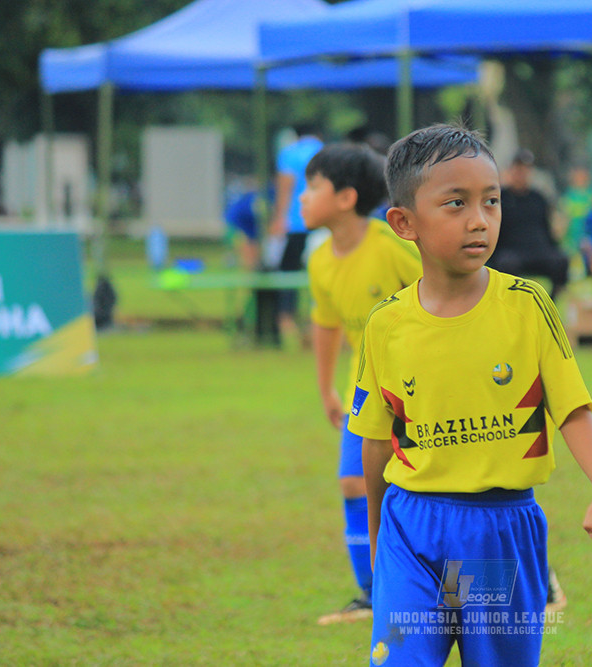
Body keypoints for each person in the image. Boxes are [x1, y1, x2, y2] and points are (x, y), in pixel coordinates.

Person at [351, 124, 592, 667]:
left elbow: (572, 410)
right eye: (456, 203)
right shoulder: (385, 325)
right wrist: (378, 536)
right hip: (410, 529)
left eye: (491, 201)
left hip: (495, 531)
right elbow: (376, 441)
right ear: (404, 223)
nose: (479, 219)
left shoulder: (527, 307)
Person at [299, 143, 424, 625]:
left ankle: (534, 577)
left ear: (346, 198)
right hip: (366, 388)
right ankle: (373, 594)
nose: (303, 197)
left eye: (313, 187)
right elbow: (327, 323)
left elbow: (444, 285)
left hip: (420, 387)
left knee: (443, 488)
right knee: (354, 481)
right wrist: (326, 389)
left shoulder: (392, 244)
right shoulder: (319, 260)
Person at [269, 123, 325, 347]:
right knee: (320, 275)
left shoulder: (289, 153)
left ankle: (287, 321)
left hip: (294, 223)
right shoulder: (325, 151)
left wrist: (279, 217)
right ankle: (316, 324)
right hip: (321, 222)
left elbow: (285, 186)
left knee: (288, 274)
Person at [486, 149, 569, 299]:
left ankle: (550, 302)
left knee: (561, 261)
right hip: (511, 251)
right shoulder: (500, 198)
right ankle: (511, 301)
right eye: (518, 169)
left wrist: (554, 244)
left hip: (538, 250)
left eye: (525, 170)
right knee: (506, 264)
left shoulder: (538, 198)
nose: (521, 174)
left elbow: (546, 229)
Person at [557, 165, 592, 259]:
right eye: (578, 175)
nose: (580, 178)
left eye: (582, 176)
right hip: (569, 238)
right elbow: (562, 217)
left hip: (586, 236)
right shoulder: (567, 197)